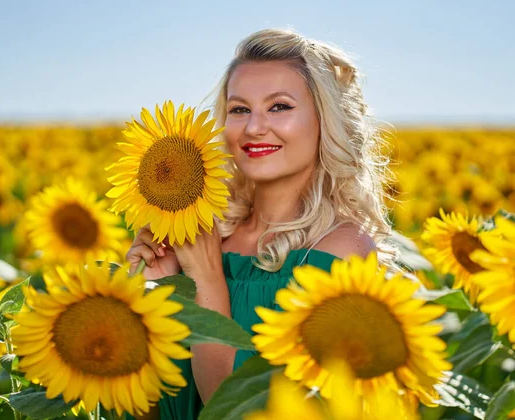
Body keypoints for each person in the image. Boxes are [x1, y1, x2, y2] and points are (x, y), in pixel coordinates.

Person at [126, 28, 395, 420]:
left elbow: (239, 411)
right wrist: (148, 296)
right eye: (239, 109)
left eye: (279, 107)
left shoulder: (341, 250)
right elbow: (150, 408)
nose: (253, 128)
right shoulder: (202, 234)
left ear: (326, 119)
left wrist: (205, 278)